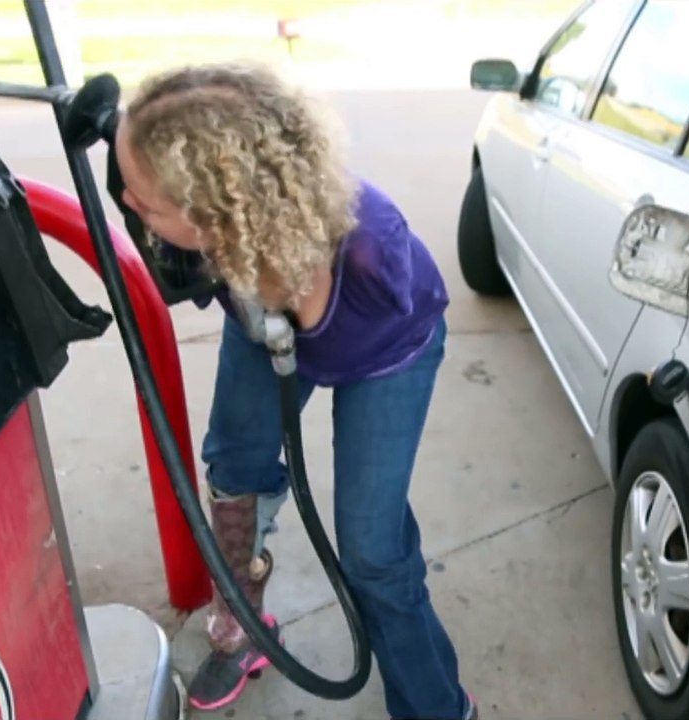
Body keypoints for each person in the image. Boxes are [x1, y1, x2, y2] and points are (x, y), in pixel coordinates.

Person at [112, 62, 478, 720]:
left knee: (372, 554)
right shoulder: (202, 239)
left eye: (147, 204)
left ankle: (436, 707)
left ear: (216, 214)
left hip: (387, 356)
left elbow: (391, 311)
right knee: (235, 468)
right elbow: (158, 224)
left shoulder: (372, 254)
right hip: (267, 325)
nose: (130, 209)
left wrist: (300, 314)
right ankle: (245, 629)